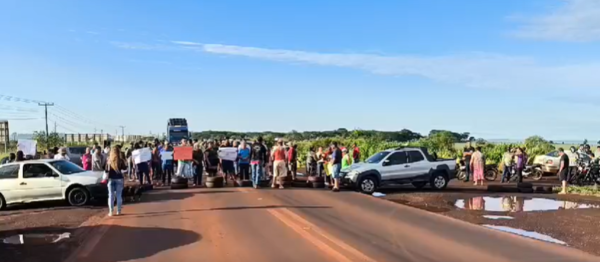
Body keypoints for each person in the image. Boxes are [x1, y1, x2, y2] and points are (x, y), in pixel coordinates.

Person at [105, 146, 125, 217]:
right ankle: (118, 211)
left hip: (111, 179)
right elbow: (125, 168)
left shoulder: (109, 160)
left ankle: (111, 211)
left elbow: (106, 170)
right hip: (119, 179)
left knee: (110, 196)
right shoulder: (120, 160)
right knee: (119, 195)